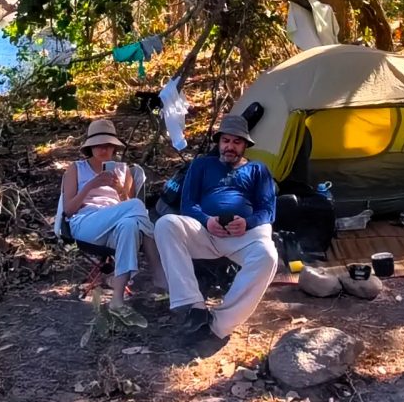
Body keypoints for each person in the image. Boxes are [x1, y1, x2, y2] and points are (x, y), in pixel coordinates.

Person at [153, 112, 282, 348]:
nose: (229, 147)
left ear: (245, 145)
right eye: (226, 141)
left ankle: (219, 324)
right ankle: (194, 307)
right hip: (205, 233)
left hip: (243, 236)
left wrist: (248, 223)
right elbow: (188, 204)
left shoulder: (257, 170)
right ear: (219, 142)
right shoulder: (202, 164)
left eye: (236, 142)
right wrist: (206, 220)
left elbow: (268, 211)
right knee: (166, 224)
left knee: (268, 256)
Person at [56, 117, 150, 293]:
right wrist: (91, 185)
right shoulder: (76, 168)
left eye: (107, 144)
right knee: (137, 205)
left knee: (130, 224)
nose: (103, 149)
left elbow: (128, 209)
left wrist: (120, 189)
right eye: (98, 145)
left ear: (114, 147)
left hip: (115, 225)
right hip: (85, 223)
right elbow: (68, 211)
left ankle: (118, 296)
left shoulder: (124, 170)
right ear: (90, 147)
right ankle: (155, 244)